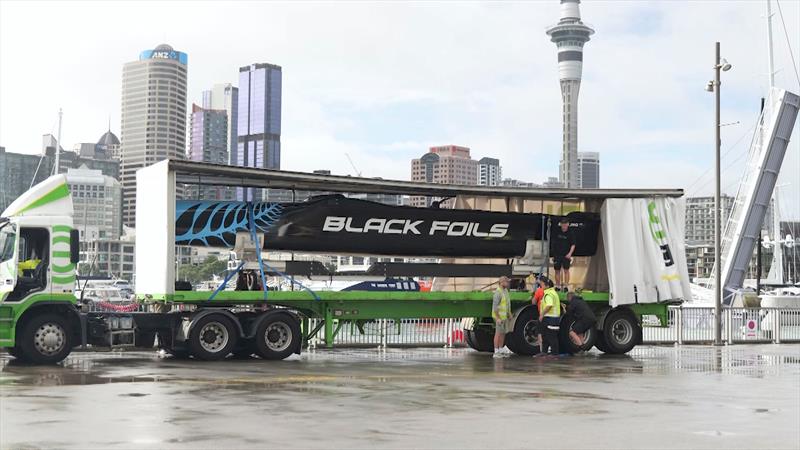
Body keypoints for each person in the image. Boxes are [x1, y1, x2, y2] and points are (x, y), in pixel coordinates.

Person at [537, 276, 561, 356]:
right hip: (551, 318)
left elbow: (549, 305)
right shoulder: (552, 292)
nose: (541, 287)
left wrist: (542, 314)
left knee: (551, 336)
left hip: (551, 318)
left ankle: (554, 353)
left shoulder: (549, 294)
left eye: (542, 285)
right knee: (546, 336)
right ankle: (544, 352)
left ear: (547, 286)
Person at [551, 218, 576, 292]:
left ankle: (566, 286)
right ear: (561, 224)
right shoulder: (557, 232)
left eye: (565, 224)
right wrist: (553, 255)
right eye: (562, 224)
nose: (564, 226)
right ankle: (558, 286)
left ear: (568, 224)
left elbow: (573, 244)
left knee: (566, 270)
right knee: (557, 270)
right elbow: (553, 243)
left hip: (566, 255)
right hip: (557, 254)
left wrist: (570, 254)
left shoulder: (571, 233)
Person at [492, 276, 513, 358]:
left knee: (503, 333)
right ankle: (496, 351)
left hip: (504, 317)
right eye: (506, 282)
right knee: (498, 333)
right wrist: (497, 318)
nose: (508, 283)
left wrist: (509, 313)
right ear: (502, 282)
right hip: (499, 317)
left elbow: (507, 303)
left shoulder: (505, 291)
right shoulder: (498, 293)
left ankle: (500, 349)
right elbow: (495, 307)